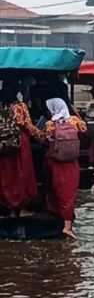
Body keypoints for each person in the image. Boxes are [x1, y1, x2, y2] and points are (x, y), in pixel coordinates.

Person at [0, 80, 45, 217]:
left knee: (6, 176)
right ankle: (21, 209)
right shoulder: (20, 106)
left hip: (3, 144)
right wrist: (42, 136)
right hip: (20, 143)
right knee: (22, 175)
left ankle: (9, 208)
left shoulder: (1, 106)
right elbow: (28, 126)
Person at [44, 98, 86, 240]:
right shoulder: (74, 121)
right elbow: (85, 129)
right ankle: (67, 226)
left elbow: (45, 138)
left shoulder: (50, 124)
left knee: (57, 190)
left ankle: (60, 220)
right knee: (69, 194)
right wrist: (76, 113)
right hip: (72, 164)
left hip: (56, 163)